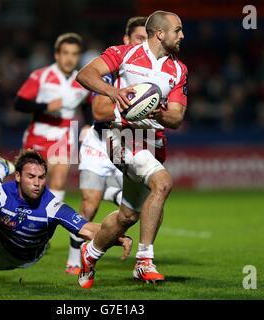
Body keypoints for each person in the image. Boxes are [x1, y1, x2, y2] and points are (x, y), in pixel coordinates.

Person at [75, 11, 188, 288]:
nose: (182, 35)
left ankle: (90, 253)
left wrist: (155, 110)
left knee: (128, 216)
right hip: (122, 136)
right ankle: (144, 261)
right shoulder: (123, 53)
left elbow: (176, 117)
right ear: (160, 33)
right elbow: (85, 74)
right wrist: (113, 93)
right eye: (178, 30)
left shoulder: (179, 70)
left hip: (153, 141)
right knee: (162, 183)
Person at [65, 16, 148, 275]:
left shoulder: (152, 72)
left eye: (148, 40)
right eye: (139, 39)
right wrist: (136, 102)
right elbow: (99, 112)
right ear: (126, 40)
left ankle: (145, 259)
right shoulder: (111, 69)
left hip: (130, 145)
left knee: (139, 208)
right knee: (89, 203)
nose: (143, 45)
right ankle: (73, 258)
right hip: (99, 142)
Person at [0, 149, 132, 270]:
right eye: (31, 177)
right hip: (0, 239)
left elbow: (86, 229)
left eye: (41, 177)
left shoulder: (52, 207)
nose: (37, 184)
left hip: (24, 256)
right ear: (18, 176)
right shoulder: (1, 194)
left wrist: (117, 237)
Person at [14, 33, 92, 203]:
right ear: (57, 55)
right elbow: (19, 103)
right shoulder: (41, 76)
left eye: (74, 54)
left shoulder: (83, 79)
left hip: (65, 135)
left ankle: (49, 224)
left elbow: (87, 103)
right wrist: (45, 107)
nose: (69, 58)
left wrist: (88, 124)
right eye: (65, 53)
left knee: (59, 180)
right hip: (39, 134)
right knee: (31, 184)